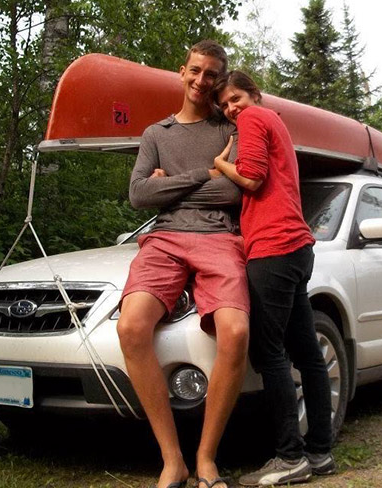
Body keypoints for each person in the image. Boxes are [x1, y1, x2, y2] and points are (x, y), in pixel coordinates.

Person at [117, 41, 250, 488]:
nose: (201, 81)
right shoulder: (157, 134)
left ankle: (206, 458)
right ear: (181, 71)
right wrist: (204, 175)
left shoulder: (227, 128)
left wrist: (168, 185)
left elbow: (233, 194)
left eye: (211, 74)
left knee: (235, 331)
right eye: (195, 71)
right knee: (131, 327)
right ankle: (172, 460)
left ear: (219, 79)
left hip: (219, 236)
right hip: (166, 239)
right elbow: (138, 196)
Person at [212, 71, 336, 487]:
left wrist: (220, 163)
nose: (231, 108)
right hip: (299, 246)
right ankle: (320, 451)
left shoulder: (252, 120)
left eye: (236, 98)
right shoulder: (277, 122)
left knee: (269, 354)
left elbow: (252, 179)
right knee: (306, 351)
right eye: (225, 105)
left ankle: (289, 457)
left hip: (273, 247)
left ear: (254, 94)